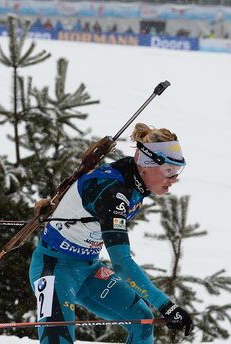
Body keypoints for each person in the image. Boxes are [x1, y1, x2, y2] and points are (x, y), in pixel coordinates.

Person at [29, 123, 194, 344]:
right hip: (54, 268)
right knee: (57, 339)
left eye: (177, 170)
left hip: (89, 270)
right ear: (146, 164)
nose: (174, 178)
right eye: (168, 170)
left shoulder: (134, 179)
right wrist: (166, 305)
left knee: (142, 320)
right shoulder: (112, 192)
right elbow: (122, 264)